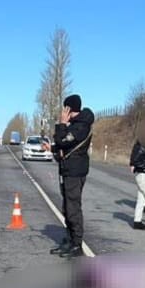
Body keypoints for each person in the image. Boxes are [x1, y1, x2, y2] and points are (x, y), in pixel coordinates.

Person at [49, 94, 95, 258]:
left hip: (75, 171)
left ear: (69, 109)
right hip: (68, 169)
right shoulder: (75, 125)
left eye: (65, 108)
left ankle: (77, 244)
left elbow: (63, 140)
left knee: (73, 207)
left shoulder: (81, 126)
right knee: (66, 207)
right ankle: (69, 239)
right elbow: (63, 145)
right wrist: (52, 148)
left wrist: (61, 123)